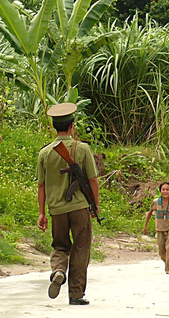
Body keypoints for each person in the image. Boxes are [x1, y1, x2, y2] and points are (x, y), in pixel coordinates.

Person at [37, 103, 98, 306]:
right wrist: (94, 205)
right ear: (72, 126)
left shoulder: (45, 153)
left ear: (54, 127)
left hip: (56, 210)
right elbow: (92, 181)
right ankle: (75, 294)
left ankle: (58, 271)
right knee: (81, 249)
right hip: (79, 207)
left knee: (60, 245)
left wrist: (42, 213)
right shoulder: (82, 148)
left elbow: (41, 185)